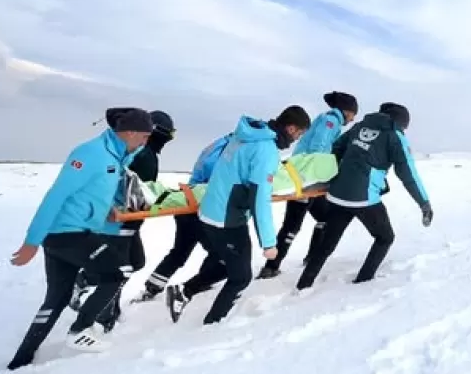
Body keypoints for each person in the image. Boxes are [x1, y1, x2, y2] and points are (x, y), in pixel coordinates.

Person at [5, 108, 155, 369]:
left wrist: (106, 209)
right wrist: (32, 242)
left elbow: (94, 189)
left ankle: (21, 360)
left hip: (71, 234)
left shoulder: (116, 155)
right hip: (68, 233)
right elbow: (56, 196)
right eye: (143, 137)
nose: (144, 143)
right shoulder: (90, 154)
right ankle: (80, 331)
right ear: (129, 133)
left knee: (57, 298)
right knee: (116, 273)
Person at [165, 106, 312, 325]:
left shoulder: (246, 136)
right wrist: (269, 243)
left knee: (230, 265)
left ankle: (184, 292)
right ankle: (212, 324)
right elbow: (259, 198)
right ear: (291, 128)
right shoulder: (266, 151)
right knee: (241, 277)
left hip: (210, 209)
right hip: (227, 218)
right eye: (299, 134)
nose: (297, 139)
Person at [297, 102, 433, 290]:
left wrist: (339, 175)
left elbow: (336, 148)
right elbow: (408, 173)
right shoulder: (394, 136)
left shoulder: (359, 126)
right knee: (385, 237)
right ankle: (363, 283)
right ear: (400, 123)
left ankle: (303, 285)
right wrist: (424, 203)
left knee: (327, 243)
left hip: (338, 194)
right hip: (364, 199)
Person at [70, 110, 175, 330]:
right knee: (120, 269)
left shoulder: (145, 154)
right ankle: (103, 315)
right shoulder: (141, 154)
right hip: (117, 223)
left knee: (136, 262)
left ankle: (86, 279)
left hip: (130, 221)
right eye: (168, 135)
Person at [257, 90, 359, 279]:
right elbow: (318, 149)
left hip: (308, 178)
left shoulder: (329, 120)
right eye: (353, 114)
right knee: (293, 225)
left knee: (324, 218)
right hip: (305, 180)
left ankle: (311, 257)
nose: (353, 119)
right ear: (346, 111)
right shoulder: (330, 121)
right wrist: (322, 173)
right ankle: (271, 267)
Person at [129, 130, 229, 303]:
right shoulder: (229, 151)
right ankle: (198, 286)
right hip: (200, 206)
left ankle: (152, 287)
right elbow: (217, 179)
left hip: (186, 202)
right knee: (219, 252)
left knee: (180, 251)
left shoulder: (218, 144)